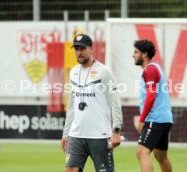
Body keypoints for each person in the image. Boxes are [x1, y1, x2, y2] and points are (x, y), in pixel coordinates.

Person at [61, 33, 123, 172]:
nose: (78, 52)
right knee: (70, 170)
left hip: (99, 136)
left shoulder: (104, 72)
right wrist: (66, 133)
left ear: (91, 49)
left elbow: (115, 101)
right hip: (76, 135)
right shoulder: (74, 72)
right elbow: (72, 105)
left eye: (82, 49)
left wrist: (116, 130)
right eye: (76, 49)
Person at [132, 39, 173, 172]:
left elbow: (151, 96)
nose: (133, 55)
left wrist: (142, 119)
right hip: (165, 119)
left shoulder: (150, 70)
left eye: (136, 52)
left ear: (144, 54)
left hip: (155, 120)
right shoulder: (156, 67)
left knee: (141, 152)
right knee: (160, 156)